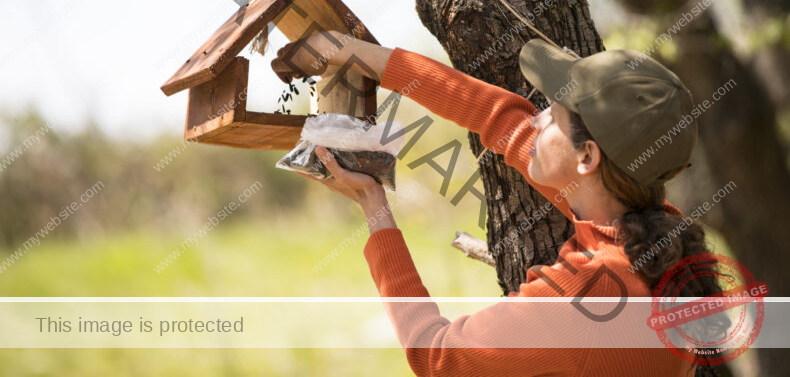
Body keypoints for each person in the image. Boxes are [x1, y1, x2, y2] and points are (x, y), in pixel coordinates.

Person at [271, 31, 727, 376]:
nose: (538, 117)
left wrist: (374, 208)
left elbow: (437, 355)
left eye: (552, 112)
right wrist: (362, 54)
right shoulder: (652, 232)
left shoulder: (587, 294)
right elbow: (498, 119)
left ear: (586, 157)